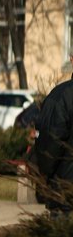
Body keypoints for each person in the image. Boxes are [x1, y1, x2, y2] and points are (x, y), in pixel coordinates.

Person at [31, 76, 73, 216]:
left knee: (61, 234)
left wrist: (42, 173)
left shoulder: (61, 96)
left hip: (64, 189)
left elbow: (49, 144)